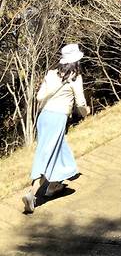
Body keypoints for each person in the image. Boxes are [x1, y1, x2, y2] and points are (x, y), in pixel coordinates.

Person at [23, 43, 91, 214]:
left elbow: (39, 96)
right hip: (58, 118)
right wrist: (86, 112)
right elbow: (81, 103)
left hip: (44, 117)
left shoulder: (51, 74)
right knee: (46, 152)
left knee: (57, 148)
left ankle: (54, 185)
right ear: (75, 61)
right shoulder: (76, 77)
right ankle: (31, 192)